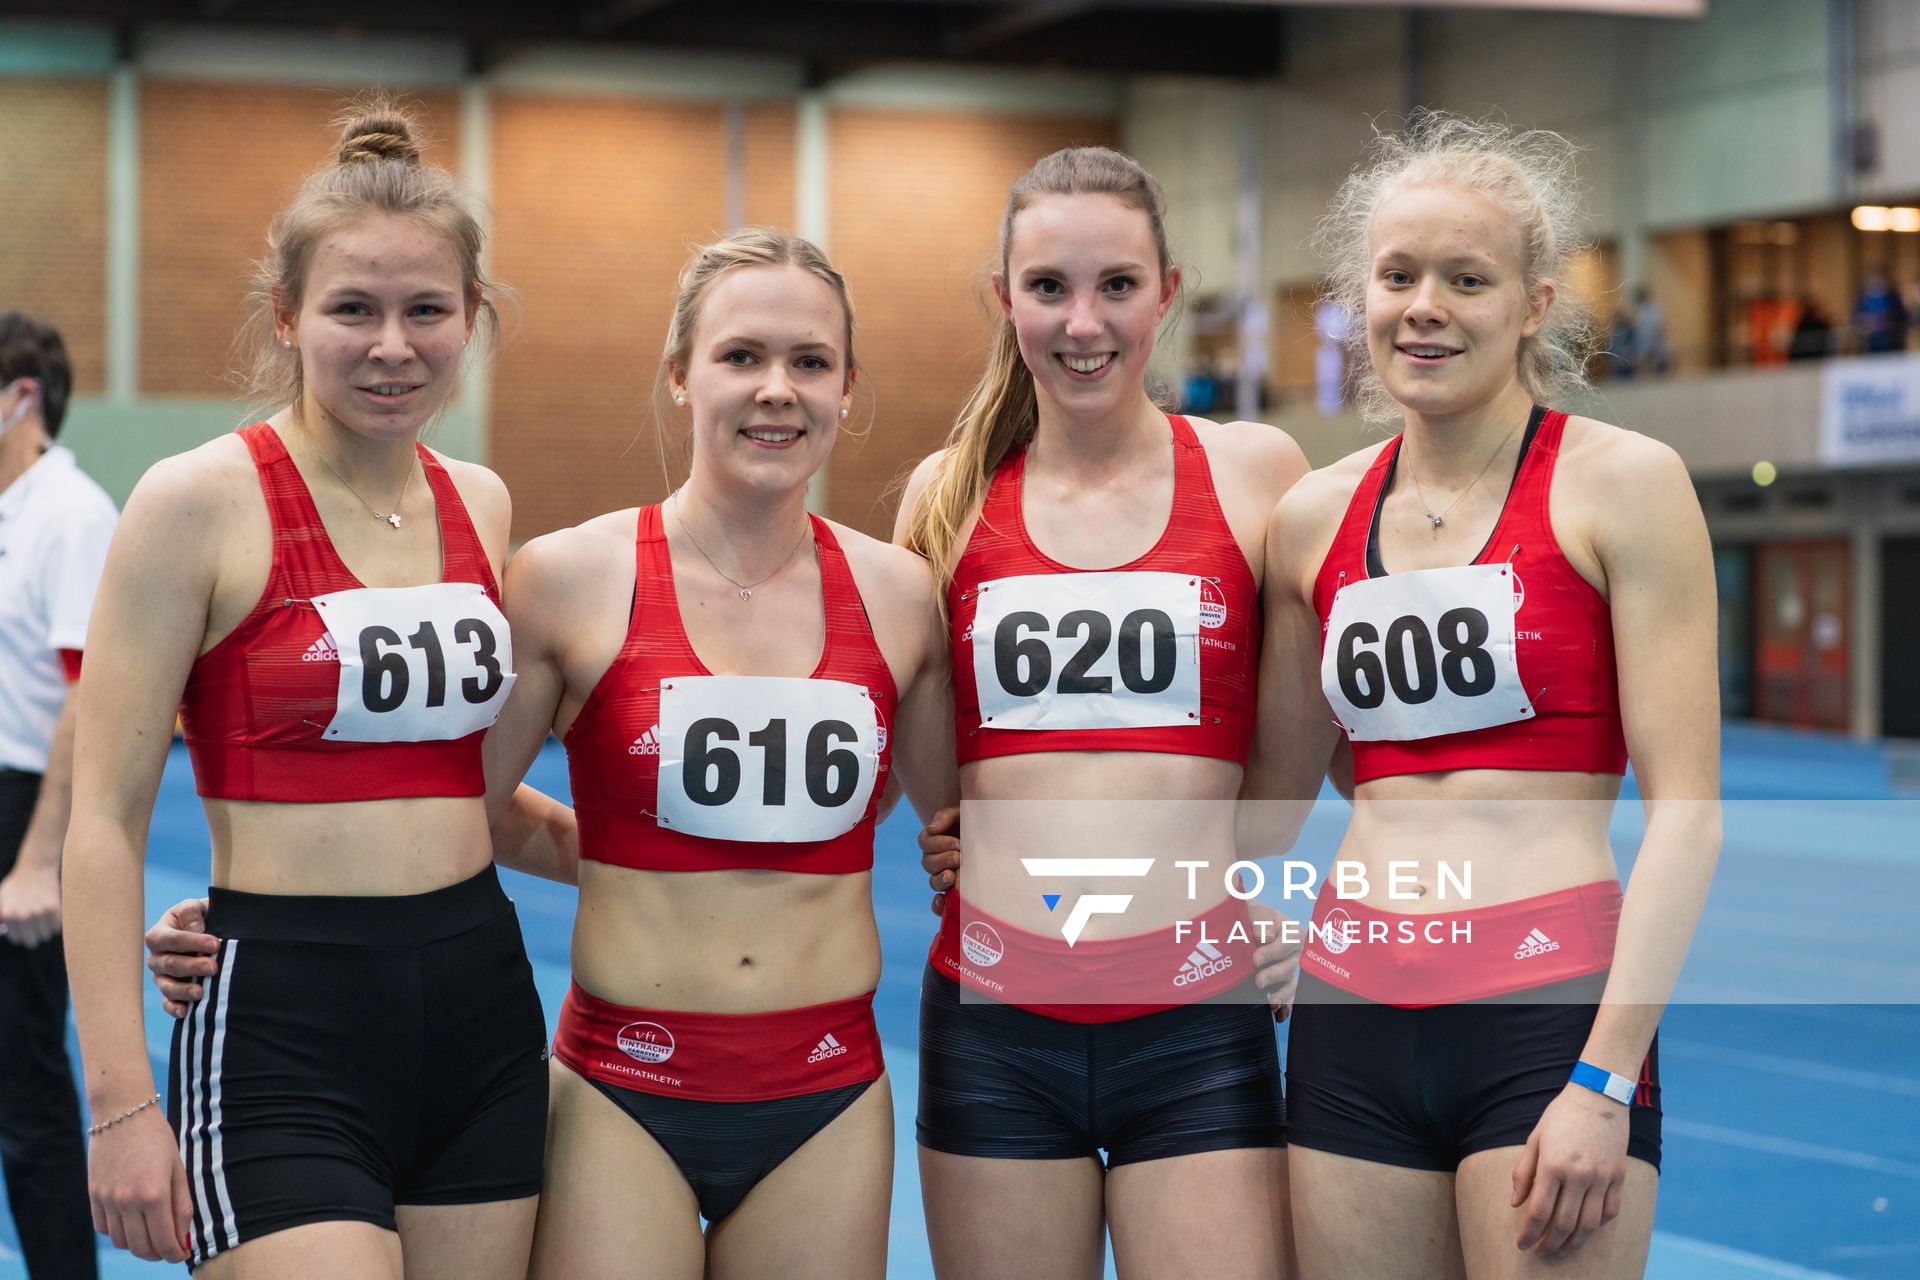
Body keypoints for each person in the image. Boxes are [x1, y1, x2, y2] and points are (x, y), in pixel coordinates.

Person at [149, 228, 957, 1279]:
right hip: (622, 1090)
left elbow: (957, 828)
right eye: (741, 356)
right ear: (680, 375)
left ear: (849, 386)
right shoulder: (567, 579)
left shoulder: (902, 599)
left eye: (810, 362)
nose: (777, 390)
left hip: (828, 1091)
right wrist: (267, 899)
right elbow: (453, 804)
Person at [64, 102, 548, 1276]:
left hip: (482, 1010)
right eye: (353, 310)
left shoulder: (481, 503)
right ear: (288, 316)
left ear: (472, 318)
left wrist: (714, 864)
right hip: (285, 1023)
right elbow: (105, 819)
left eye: (427, 309)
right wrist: (122, 1101)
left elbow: (473, 794)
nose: (393, 344)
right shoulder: (195, 505)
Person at [1252, 112, 1718, 1277]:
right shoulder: (1315, 517)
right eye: (1399, 275)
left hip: (1545, 1016)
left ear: (1535, 302)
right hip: (1349, 1015)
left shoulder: (1624, 486)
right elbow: (1265, 792)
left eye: (1468, 278)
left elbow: (1689, 812)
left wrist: (1605, 1075)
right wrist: (1243, 903)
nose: (1427, 306)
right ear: (1360, 297)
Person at [898, 147, 1309, 1280]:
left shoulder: (1256, 475)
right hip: (996, 1022)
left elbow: (1312, 738)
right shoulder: (947, 494)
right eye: (1048, 288)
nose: (1084, 323)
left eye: (1117, 286)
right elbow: (938, 768)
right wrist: (972, 834)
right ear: (1003, 297)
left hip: (1194, 1016)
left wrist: (1288, 902)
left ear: (1169, 292)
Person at [0, 311, 117, 1279]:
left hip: (21, 806)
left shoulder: (71, 515)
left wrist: (40, 858)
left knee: (24, 1083)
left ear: (20, 396)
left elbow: (92, 696)